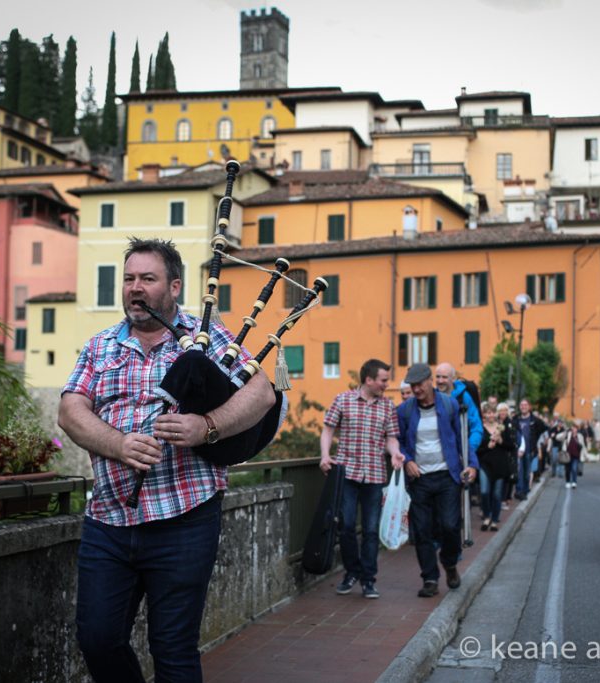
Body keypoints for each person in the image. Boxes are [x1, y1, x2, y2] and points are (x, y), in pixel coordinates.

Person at [59, 238, 277, 683]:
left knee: (173, 649)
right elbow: (70, 411)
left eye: (147, 279)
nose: (134, 288)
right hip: (109, 520)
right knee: (97, 639)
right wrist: (118, 444)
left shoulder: (205, 337)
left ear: (174, 286)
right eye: (129, 279)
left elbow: (262, 393)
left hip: (185, 520)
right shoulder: (100, 346)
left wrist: (207, 426)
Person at [320, 359, 404, 600]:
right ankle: (352, 572)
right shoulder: (343, 400)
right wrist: (325, 456)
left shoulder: (387, 406)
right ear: (369, 380)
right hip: (347, 473)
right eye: (383, 380)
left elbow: (391, 438)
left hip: (376, 474)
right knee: (346, 526)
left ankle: (368, 579)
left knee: (370, 529)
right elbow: (328, 429)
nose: (386, 385)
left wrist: (395, 452)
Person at [397, 363, 478, 598]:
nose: (416, 389)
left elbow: (462, 438)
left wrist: (472, 464)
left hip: (447, 475)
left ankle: (450, 564)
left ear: (430, 381)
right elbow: (398, 441)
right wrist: (407, 460)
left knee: (450, 525)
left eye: (419, 384)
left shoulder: (449, 405)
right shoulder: (405, 410)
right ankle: (430, 578)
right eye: (412, 386)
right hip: (419, 478)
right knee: (422, 531)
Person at [477, 404, 515, 531]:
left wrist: (500, 441)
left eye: (493, 412)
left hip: (500, 465)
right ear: (484, 415)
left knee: (497, 495)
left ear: (496, 414)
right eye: (488, 413)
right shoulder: (480, 429)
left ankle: (494, 520)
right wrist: (488, 446)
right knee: (484, 491)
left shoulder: (502, 428)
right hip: (485, 465)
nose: (491, 415)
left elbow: (511, 446)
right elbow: (476, 449)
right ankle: (486, 516)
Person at [434, 362, 483, 456]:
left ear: (453, 378)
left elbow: (476, 427)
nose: (440, 381)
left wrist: (469, 451)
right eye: (438, 376)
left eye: (444, 377)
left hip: (460, 454)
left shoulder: (464, 397)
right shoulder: (432, 397)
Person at [514, 399, 546, 497]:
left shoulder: (534, 420)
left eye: (525, 405)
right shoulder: (516, 419)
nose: (523, 407)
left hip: (529, 450)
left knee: (527, 472)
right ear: (519, 407)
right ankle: (519, 491)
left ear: (529, 407)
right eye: (521, 405)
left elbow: (543, 428)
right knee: (519, 471)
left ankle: (525, 489)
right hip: (518, 450)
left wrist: (535, 439)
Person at [557, 422, 586, 488]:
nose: (574, 429)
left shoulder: (580, 436)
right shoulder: (568, 434)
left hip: (576, 455)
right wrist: (565, 432)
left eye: (575, 428)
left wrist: (585, 455)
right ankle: (567, 482)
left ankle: (574, 482)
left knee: (574, 469)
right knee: (568, 470)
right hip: (567, 455)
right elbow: (558, 438)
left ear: (577, 429)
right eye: (573, 427)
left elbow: (583, 446)